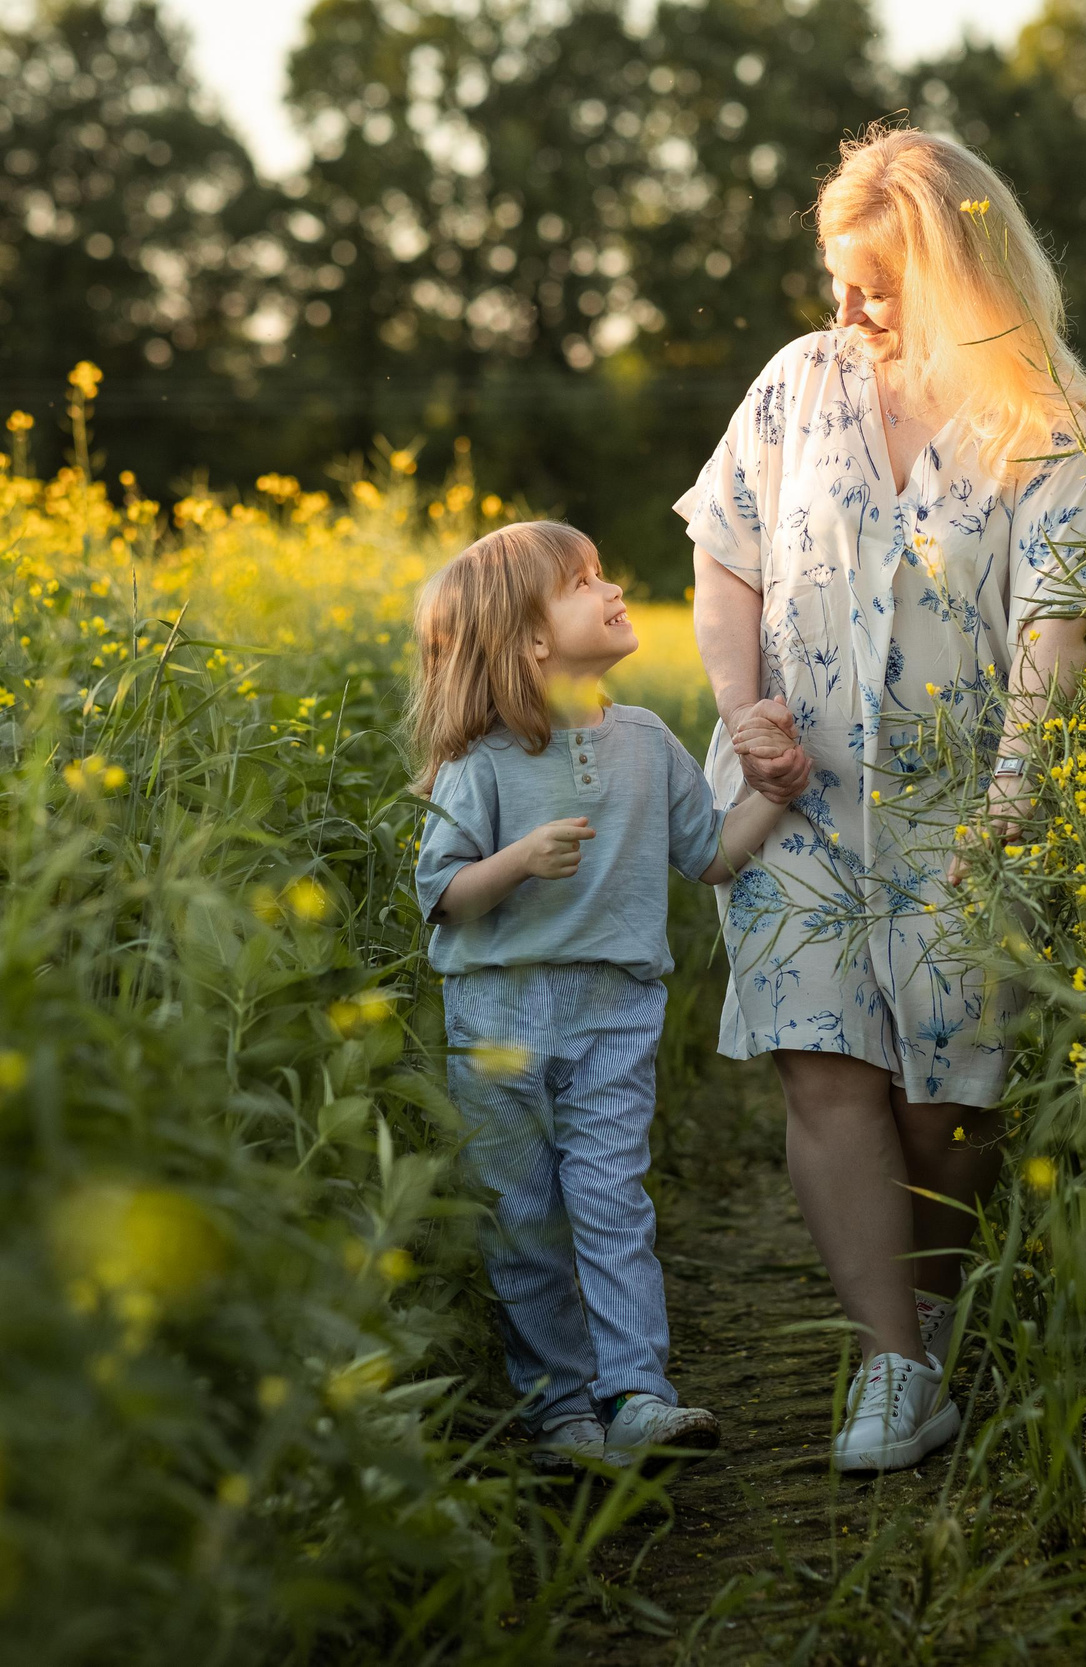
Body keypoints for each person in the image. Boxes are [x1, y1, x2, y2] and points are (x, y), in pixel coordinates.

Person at [676, 126, 1086, 1471]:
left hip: (965, 802)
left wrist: (1018, 784)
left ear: (959, 268)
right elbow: (723, 558)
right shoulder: (795, 384)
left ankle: (925, 1302)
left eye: (878, 284)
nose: (846, 310)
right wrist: (740, 704)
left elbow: (1058, 616)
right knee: (828, 1070)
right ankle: (890, 1361)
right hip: (789, 789)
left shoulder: (1042, 416)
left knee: (952, 1095)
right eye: (837, 278)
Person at [411, 518, 809, 1469]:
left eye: (602, 570)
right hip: (499, 1017)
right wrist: (514, 860)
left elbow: (709, 854)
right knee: (523, 1216)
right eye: (584, 580)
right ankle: (559, 1410)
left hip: (617, 1013)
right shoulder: (483, 758)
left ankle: (636, 1392)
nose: (613, 586)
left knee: (608, 1198)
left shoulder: (644, 739)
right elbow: (443, 896)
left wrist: (781, 791)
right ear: (533, 641)